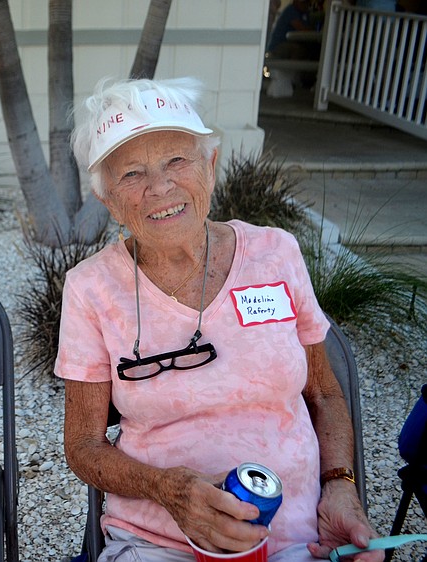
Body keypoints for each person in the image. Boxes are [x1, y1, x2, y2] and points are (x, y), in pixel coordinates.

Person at [55, 77, 382, 561]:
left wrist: (340, 487)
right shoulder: (91, 288)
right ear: (109, 200)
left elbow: (325, 392)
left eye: (176, 161)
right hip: (159, 539)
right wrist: (167, 489)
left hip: (297, 535)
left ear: (209, 167)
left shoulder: (276, 254)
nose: (160, 187)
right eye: (132, 174)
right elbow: (83, 445)